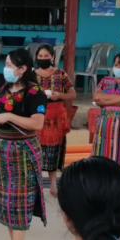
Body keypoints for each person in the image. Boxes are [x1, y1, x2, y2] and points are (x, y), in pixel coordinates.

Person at [0, 48, 48, 240]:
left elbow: (37, 123)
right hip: (4, 150)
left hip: (22, 151)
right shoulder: (6, 88)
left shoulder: (35, 93)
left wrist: (10, 116)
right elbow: (0, 116)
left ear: (23, 68)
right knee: (6, 203)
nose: (5, 68)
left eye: (9, 64)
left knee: (20, 203)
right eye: (5, 63)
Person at [34, 43, 76, 196]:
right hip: (37, 115)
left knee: (54, 151)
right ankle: (37, 185)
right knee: (36, 151)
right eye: (40, 56)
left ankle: (53, 184)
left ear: (52, 57)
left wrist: (59, 96)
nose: (43, 58)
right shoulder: (31, 75)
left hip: (56, 116)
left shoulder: (61, 74)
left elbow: (72, 94)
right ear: (36, 58)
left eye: (46, 56)